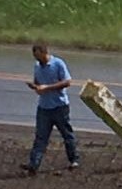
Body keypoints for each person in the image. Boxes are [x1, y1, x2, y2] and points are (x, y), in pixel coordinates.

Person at [21, 44, 79, 175]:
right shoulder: (37, 66)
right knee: (40, 137)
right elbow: (38, 83)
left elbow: (67, 82)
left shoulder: (58, 63)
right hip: (44, 107)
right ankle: (33, 165)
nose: (36, 59)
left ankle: (74, 160)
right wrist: (35, 87)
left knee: (67, 134)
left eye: (37, 55)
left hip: (59, 106)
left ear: (44, 52)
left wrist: (46, 88)